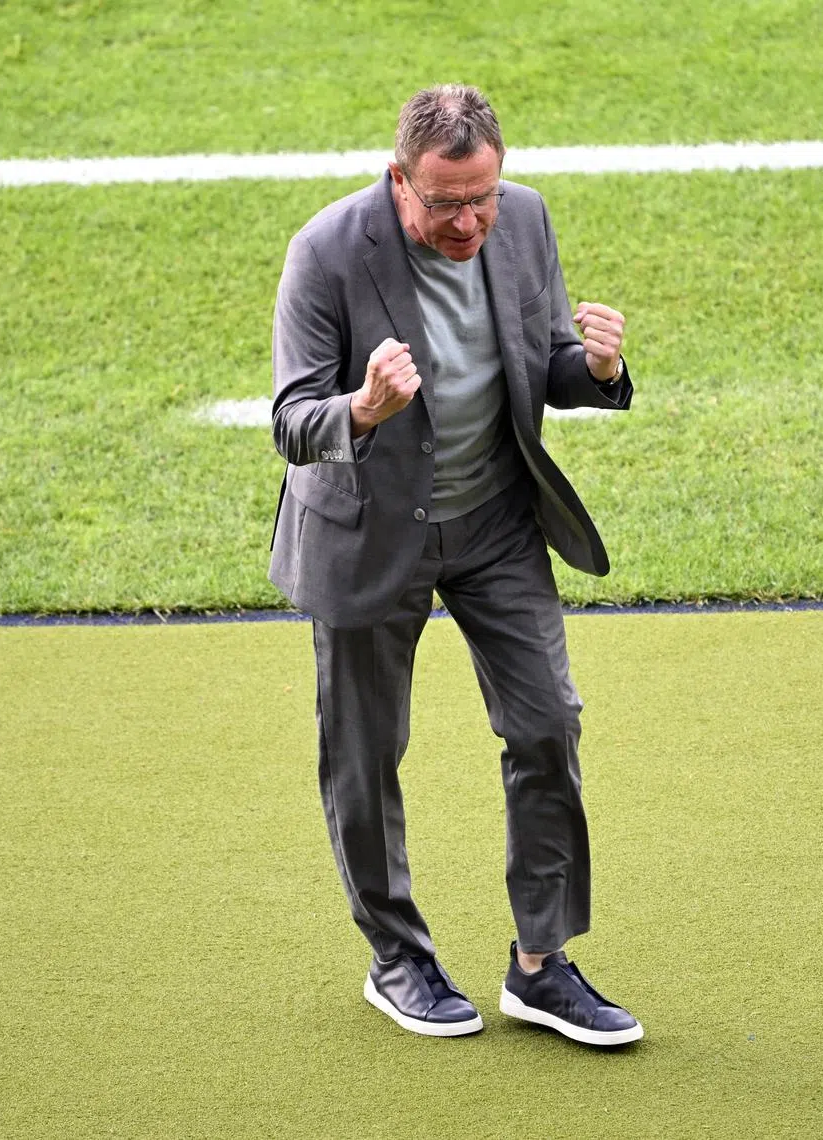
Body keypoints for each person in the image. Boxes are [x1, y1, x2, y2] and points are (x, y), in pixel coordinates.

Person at [268, 84, 642, 1047]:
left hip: (495, 523)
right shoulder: (325, 251)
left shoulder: (524, 220)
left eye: (484, 195)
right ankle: (398, 958)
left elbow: (544, 360)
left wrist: (594, 372)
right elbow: (291, 421)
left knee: (549, 723)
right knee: (365, 755)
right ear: (401, 182)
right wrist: (361, 409)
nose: (471, 220)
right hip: (368, 531)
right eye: (446, 204)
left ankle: (540, 965)